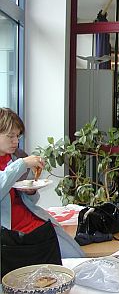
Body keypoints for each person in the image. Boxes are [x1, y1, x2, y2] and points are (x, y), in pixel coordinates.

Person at [0, 108, 84, 262]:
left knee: (77, 256)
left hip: (33, 223)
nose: (16, 141)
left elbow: (28, 202)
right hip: (12, 237)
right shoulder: (18, 162)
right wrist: (23, 163)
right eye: (10, 136)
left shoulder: (13, 158)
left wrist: (30, 191)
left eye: (18, 136)